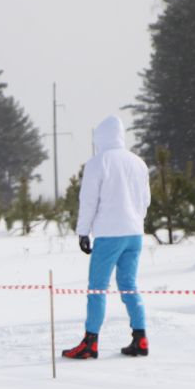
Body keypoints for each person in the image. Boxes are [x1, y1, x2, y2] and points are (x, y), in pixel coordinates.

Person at [64, 115, 151, 360]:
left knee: (97, 289)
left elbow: (89, 201)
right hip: (134, 234)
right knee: (129, 286)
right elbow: (145, 201)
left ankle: (90, 342)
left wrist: (83, 231)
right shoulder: (138, 163)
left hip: (109, 235)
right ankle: (140, 337)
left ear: (100, 138)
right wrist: (135, 220)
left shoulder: (97, 163)